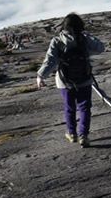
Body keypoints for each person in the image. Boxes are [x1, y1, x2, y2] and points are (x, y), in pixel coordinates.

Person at [36, 13, 105, 147]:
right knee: (84, 107)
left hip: (64, 81)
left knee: (69, 107)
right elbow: (100, 48)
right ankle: (83, 136)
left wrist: (40, 76)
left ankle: (72, 133)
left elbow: (50, 60)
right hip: (84, 78)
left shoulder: (57, 40)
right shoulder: (84, 39)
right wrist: (87, 34)